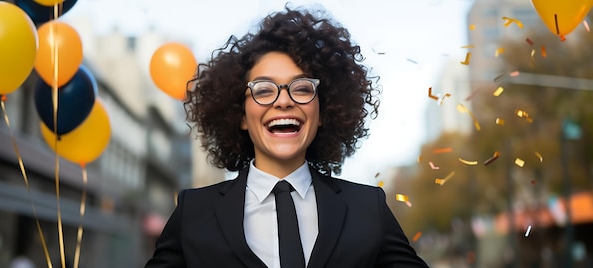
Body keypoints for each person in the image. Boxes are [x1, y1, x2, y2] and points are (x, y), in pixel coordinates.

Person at [145, 4, 428, 268]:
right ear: (241, 115)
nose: (283, 102)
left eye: (302, 88)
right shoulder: (194, 212)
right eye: (264, 89)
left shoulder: (369, 209)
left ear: (323, 112)